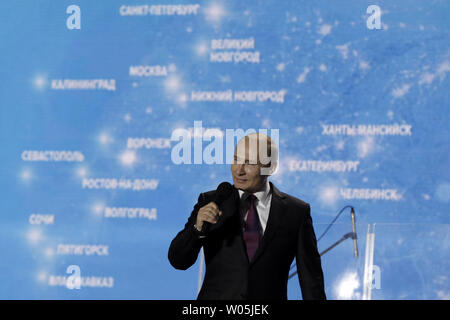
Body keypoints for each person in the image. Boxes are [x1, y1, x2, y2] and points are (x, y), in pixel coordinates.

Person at [168, 133, 326, 300]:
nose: (239, 170)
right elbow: (178, 261)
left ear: (271, 167)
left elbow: (311, 282)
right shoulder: (211, 201)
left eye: (249, 163)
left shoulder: (296, 212)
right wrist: (197, 229)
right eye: (236, 159)